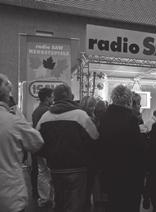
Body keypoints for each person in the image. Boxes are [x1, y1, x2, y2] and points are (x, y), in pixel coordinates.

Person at [36, 84, 99, 212]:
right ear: (71, 96)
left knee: (60, 203)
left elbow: (37, 142)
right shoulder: (80, 115)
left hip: (55, 169)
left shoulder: (45, 117)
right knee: (76, 205)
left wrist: (49, 156)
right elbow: (95, 138)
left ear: (55, 98)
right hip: (78, 168)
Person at [0, 73, 44, 212]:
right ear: (7, 95)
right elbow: (36, 142)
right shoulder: (12, 121)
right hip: (9, 194)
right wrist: (15, 111)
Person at [99, 85, 145, 212]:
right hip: (129, 173)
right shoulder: (130, 119)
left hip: (109, 170)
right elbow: (137, 148)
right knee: (129, 205)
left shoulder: (104, 117)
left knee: (113, 204)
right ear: (128, 100)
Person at [31, 87, 54, 207]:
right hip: (46, 146)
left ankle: (43, 198)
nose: (53, 98)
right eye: (51, 96)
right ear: (47, 98)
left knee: (42, 172)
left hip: (38, 146)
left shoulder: (36, 110)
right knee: (46, 173)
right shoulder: (47, 111)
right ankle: (47, 199)